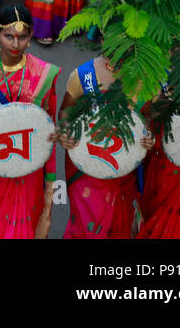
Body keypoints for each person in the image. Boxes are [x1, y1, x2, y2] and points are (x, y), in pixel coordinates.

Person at [0, 5, 60, 237]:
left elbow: (48, 115)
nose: (15, 45)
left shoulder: (43, 73)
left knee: (27, 219)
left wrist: (56, 131)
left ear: (31, 35)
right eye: (8, 37)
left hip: (29, 160)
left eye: (22, 37)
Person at [57, 54, 152, 237]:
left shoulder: (145, 79)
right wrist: (66, 129)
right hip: (86, 169)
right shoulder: (83, 75)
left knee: (118, 221)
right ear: (102, 37)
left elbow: (146, 115)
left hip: (123, 169)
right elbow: (66, 109)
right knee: (86, 225)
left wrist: (147, 133)